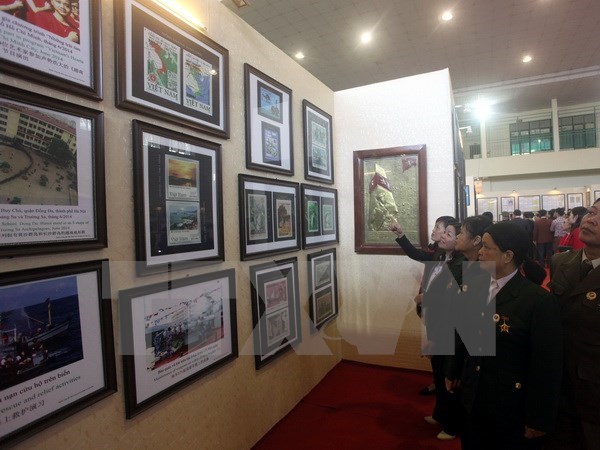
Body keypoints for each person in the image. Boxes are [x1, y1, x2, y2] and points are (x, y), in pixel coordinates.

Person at [447, 222, 563, 450]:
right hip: (474, 394)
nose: (480, 252)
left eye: (486, 247)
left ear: (508, 255)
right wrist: (453, 369)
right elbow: (463, 332)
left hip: (509, 403)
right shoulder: (476, 284)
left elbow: (547, 364)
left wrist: (539, 417)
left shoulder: (537, 301)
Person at [545, 198, 600, 450]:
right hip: (559, 381)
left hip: (594, 390)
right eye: (592, 212)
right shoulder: (561, 262)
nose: (591, 220)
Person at [390, 215, 455, 396]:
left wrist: (426, 298)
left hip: (444, 316)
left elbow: (450, 295)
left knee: (443, 354)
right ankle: (438, 383)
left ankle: (444, 387)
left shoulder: (457, 261)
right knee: (435, 353)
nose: (434, 230)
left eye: (439, 228)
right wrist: (401, 234)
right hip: (431, 312)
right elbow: (416, 254)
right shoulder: (438, 254)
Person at [418, 220, 465, 441]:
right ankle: (440, 414)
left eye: (449, 233)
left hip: (450, 328)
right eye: (442, 231)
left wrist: (426, 298)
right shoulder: (440, 256)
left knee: (449, 375)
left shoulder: (462, 264)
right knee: (438, 373)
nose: (443, 235)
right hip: (437, 324)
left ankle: (452, 424)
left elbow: (452, 301)